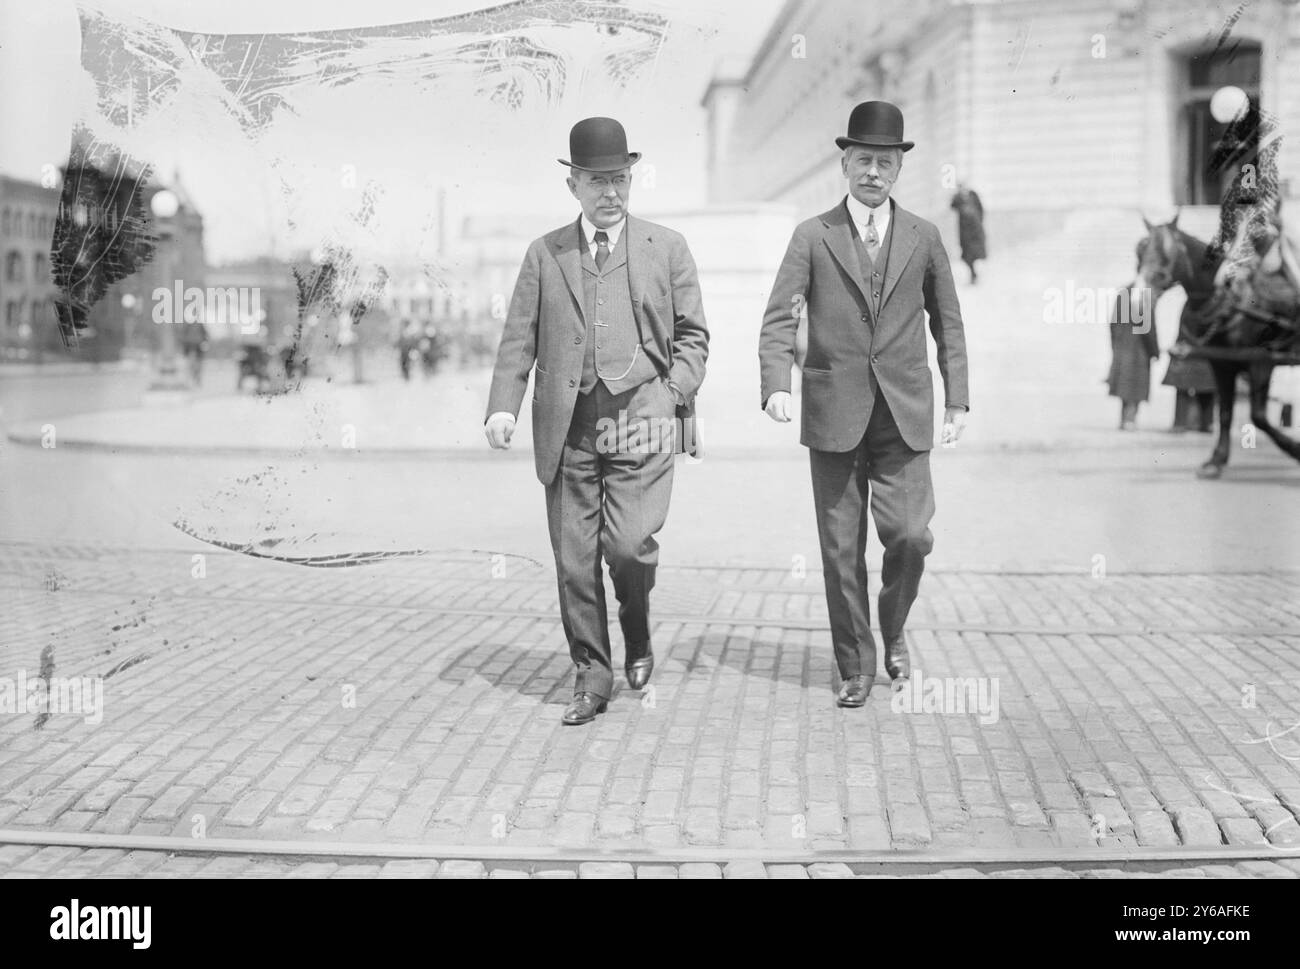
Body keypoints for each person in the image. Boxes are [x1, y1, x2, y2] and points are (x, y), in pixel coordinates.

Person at [484, 117, 709, 725]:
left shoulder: (668, 247)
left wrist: (670, 394)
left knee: (630, 547)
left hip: (644, 419)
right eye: (597, 181)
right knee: (573, 558)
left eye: (620, 179)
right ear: (573, 186)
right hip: (569, 425)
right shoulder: (545, 253)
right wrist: (503, 403)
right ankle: (592, 672)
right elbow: (517, 339)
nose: (611, 192)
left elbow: (694, 338)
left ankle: (635, 630)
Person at [759, 100, 969, 708]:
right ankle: (855, 662)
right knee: (840, 548)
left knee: (910, 537)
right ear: (844, 164)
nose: (873, 172)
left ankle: (894, 624)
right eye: (862, 161)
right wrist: (777, 381)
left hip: (905, 413)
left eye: (884, 162)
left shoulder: (925, 237)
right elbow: (780, 314)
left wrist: (958, 399)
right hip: (833, 412)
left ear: (898, 169)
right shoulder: (812, 236)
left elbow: (948, 323)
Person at [1108, 245, 1161, 429]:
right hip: (1138, 348)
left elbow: (1113, 325)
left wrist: (1115, 346)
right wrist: (1155, 350)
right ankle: (1129, 420)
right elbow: (1148, 327)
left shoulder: (1125, 291)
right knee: (1135, 385)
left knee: (1125, 385)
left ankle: (1125, 419)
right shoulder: (1143, 293)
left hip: (1123, 346)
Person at [950, 183, 986, 283]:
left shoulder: (973, 196)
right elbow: (952, 206)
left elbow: (980, 208)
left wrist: (980, 221)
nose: (962, 189)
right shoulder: (958, 199)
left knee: (976, 254)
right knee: (967, 256)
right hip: (965, 233)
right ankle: (973, 273)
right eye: (960, 188)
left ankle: (975, 274)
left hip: (975, 230)